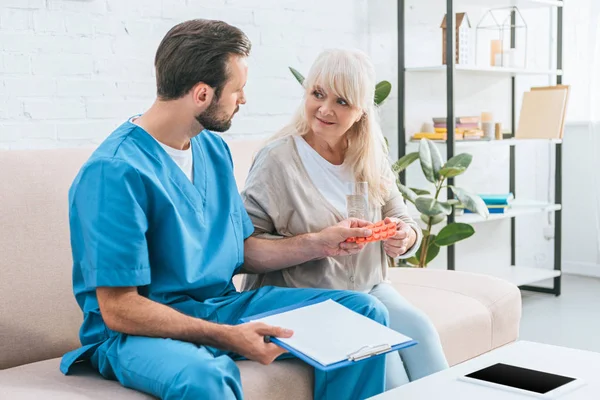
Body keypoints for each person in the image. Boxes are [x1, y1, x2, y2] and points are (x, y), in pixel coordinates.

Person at [60, 20, 391, 400]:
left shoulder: (211, 149)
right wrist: (228, 336)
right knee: (205, 376)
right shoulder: (114, 172)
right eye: (238, 90)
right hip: (138, 333)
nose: (244, 100)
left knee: (362, 313)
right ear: (203, 94)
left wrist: (321, 243)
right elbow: (120, 309)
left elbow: (241, 249)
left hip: (221, 305)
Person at [241, 48, 449, 389]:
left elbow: (401, 216)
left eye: (342, 101)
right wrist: (317, 244)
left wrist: (405, 237)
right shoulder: (276, 160)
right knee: (389, 364)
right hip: (307, 296)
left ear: (361, 111)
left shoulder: (368, 154)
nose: (325, 109)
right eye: (318, 94)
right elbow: (246, 252)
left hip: (371, 288)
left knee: (421, 329)